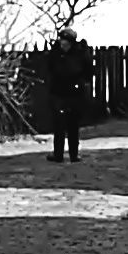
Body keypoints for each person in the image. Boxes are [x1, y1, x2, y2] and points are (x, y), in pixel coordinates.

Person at [45, 22, 90, 160]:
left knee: (73, 125)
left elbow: (87, 70)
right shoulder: (56, 53)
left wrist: (81, 84)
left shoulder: (79, 53)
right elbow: (50, 69)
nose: (62, 43)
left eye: (65, 41)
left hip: (74, 93)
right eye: (61, 40)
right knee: (59, 125)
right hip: (59, 92)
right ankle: (58, 154)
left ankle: (73, 154)